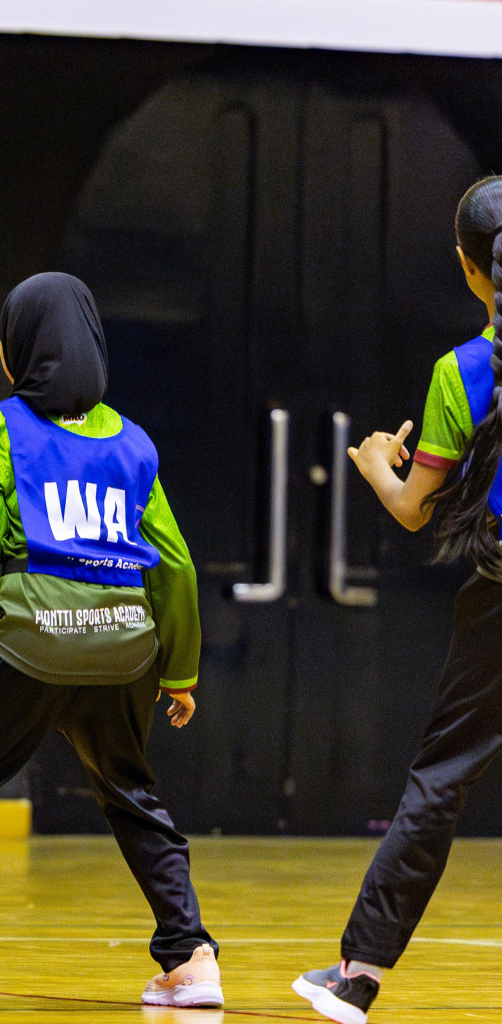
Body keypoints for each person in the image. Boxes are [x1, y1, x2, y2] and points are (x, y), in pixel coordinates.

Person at [0, 273, 222, 1011]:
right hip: (126, 646)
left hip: (35, 641)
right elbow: (177, 566)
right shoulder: (132, 441)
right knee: (133, 796)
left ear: (15, 352)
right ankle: (191, 959)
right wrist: (180, 673)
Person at [293, 175, 502, 1024]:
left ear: (468, 268)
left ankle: (358, 976)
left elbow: (417, 506)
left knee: (441, 781)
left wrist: (378, 460)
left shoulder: (464, 373)